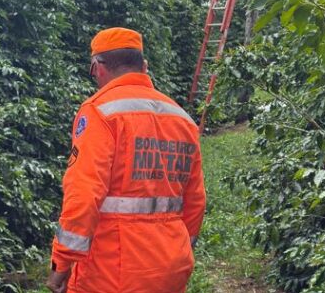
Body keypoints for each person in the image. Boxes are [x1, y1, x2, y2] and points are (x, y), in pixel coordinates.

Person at [47, 27, 206, 293]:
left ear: (97, 67)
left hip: (112, 271)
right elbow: (195, 200)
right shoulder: (182, 118)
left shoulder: (100, 112)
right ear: (143, 66)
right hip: (172, 267)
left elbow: (84, 194)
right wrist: (178, 248)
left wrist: (61, 264)